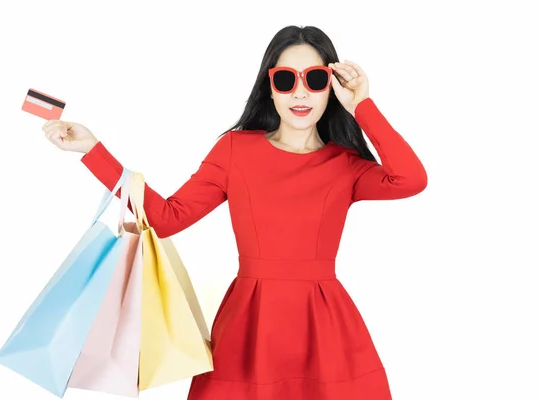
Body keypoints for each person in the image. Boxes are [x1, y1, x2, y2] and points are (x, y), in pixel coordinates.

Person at [42, 25, 427, 400]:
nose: (300, 92)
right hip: (250, 328)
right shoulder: (234, 151)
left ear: (331, 87)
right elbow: (167, 217)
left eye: (314, 78)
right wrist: (93, 150)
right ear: (269, 88)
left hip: (325, 329)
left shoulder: (345, 165)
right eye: (285, 80)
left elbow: (411, 179)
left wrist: (362, 106)